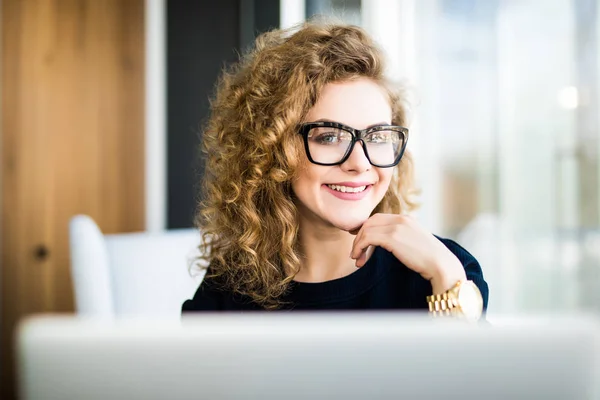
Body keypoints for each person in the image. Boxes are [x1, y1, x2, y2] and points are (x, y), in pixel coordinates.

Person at [182, 20, 489, 318]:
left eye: (378, 136)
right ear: (273, 150)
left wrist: (446, 280)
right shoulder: (228, 289)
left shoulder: (445, 268)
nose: (359, 163)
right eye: (330, 136)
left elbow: (475, 371)